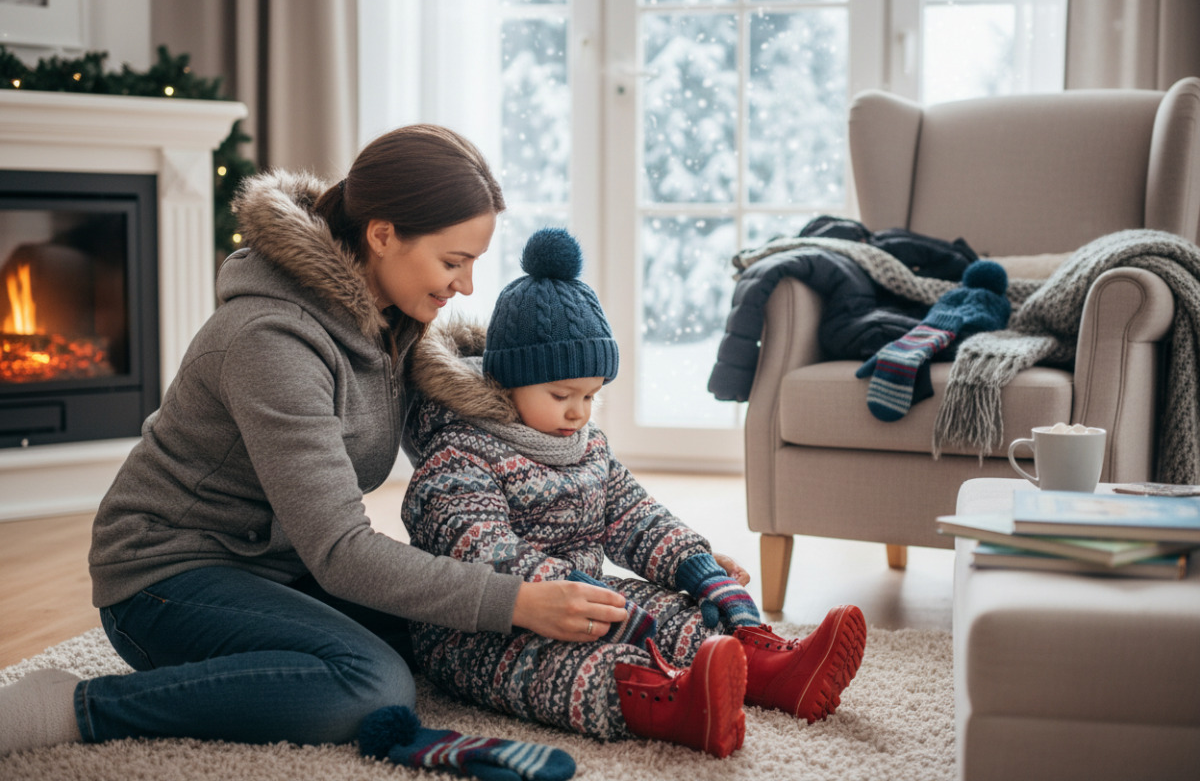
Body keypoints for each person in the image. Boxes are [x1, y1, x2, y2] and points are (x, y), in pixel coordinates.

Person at [0, 125, 631, 757]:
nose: (465, 286)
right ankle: (77, 707)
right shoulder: (270, 339)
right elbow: (340, 551)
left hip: (281, 565)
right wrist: (518, 599)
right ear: (382, 235)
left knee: (451, 635)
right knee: (372, 686)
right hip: (167, 575)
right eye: (453, 262)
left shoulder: (400, 322)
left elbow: (501, 408)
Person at [400, 227, 868, 758]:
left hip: (587, 597)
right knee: (566, 666)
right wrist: (571, 588)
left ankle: (773, 671)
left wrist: (699, 569)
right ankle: (669, 703)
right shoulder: (459, 452)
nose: (578, 412)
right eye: (561, 395)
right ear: (507, 381)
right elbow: (479, 546)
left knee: (678, 612)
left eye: (591, 396)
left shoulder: (584, 443)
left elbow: (633, 515)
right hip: (482, 629)